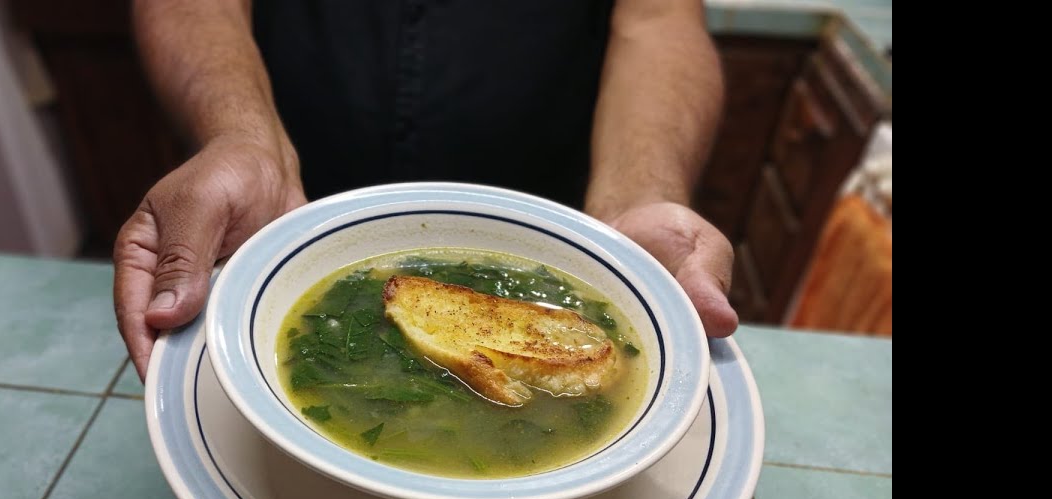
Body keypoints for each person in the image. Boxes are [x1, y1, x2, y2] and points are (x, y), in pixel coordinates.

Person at [115, 0, 737, 380]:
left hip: (552, 211)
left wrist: (635, 200)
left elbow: (659, 18)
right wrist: (241, 139)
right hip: (283, 204)